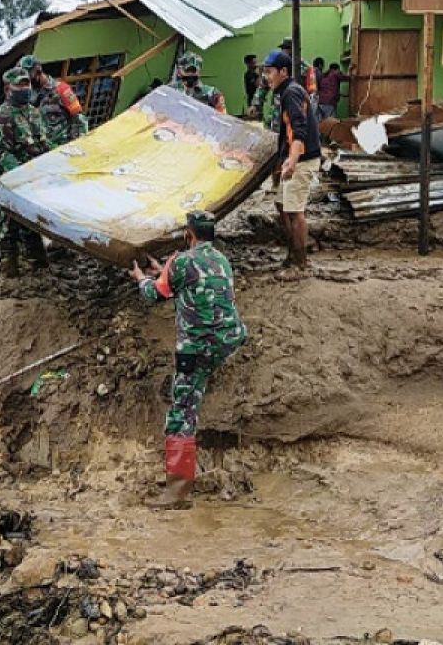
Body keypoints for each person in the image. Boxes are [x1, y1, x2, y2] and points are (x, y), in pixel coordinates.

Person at [131, 211, 247, 510]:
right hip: (229, 338)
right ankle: (183, 478)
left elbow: (153, 296)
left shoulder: (180, 261)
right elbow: (190, 283)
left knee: (181, 413)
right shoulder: (221, 259)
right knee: (195, 387)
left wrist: (143, 278)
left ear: (188, 235)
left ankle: (177, 493)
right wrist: (166, 271)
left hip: (197, 346)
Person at [261, 49, 321, 277]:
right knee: (281, 205)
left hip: (303, 159)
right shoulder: (287, 92)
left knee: (295, 211)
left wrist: (293, 159)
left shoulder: (291, 93)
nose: (266, 77)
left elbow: (300, 128)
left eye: (269, 72)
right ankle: (293, 253)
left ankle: (300, 264)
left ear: (283, 72)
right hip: (295, 157)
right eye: (264, 72)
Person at [0, 68, 52, 277]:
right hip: (9, 178)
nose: (25, 89)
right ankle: (10, 270)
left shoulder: (34, 112)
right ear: (8, 89)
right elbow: (1, 152)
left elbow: (43, 143)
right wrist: (20, 174)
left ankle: (40, 268)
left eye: (27, 84)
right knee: (7, 226)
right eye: (20, 85)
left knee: (32, 223)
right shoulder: (2, 116)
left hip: (32, 179)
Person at [18, 54, 88, 147]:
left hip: (63, 147)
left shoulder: (62, 89)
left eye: (29, 79)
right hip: (45, 149)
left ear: (38, 72)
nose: (27, 83)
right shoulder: (31, 95)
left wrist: (79, 144)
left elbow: (80, 119)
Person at [248, 38, 318, 130]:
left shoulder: (306, 70)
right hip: (276, 116)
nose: (285, 51)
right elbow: (263, 85)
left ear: (297, 50)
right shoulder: (276, 66)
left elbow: (313, 95)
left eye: (288, 48)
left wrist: (307, 118)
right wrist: (256, 104)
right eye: (283, 48)